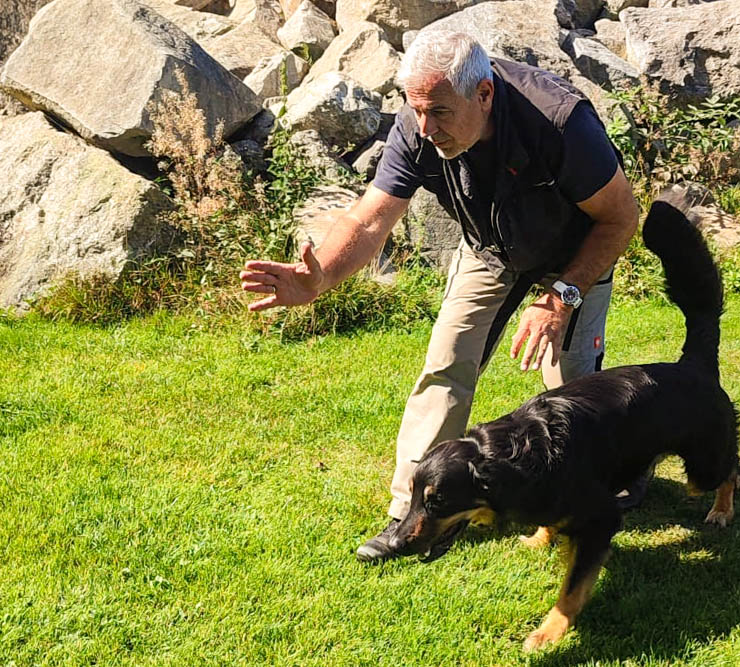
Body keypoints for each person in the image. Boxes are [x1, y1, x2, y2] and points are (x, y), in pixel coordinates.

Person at [240, 30, 640, 563]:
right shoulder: (417, 127)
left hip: (575, 254)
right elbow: (370, 220)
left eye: (440, 112)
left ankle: (603, 483)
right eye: (417, 110)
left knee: (573, 388)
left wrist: (561, 297)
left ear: (484, 94)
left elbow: (621, 218)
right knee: (447, 361)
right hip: (489, 249)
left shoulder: (560, 122)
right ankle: (412, 514)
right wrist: (319, 280)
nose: (426, 128)